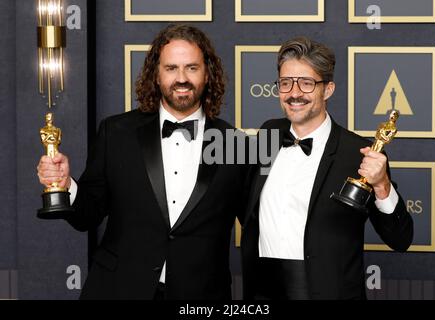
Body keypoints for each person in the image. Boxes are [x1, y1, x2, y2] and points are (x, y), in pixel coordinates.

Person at [37, 24, 248, 300]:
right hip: (118, 289)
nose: (181, 78)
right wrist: (66, 186)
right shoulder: (117, 133)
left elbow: (258, 226)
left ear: (207, 74)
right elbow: (88, 215)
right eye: (171, 68)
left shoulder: (237, 144)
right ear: (156, 75)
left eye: (192, 68)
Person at [241, 36, 413, 300]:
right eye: (285, 83)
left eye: (307, 83)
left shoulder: (359, 154)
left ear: (328, 89)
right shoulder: (268, 133)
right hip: (262, 292)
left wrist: (382, 186)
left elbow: (400, 239)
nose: (294, 93)